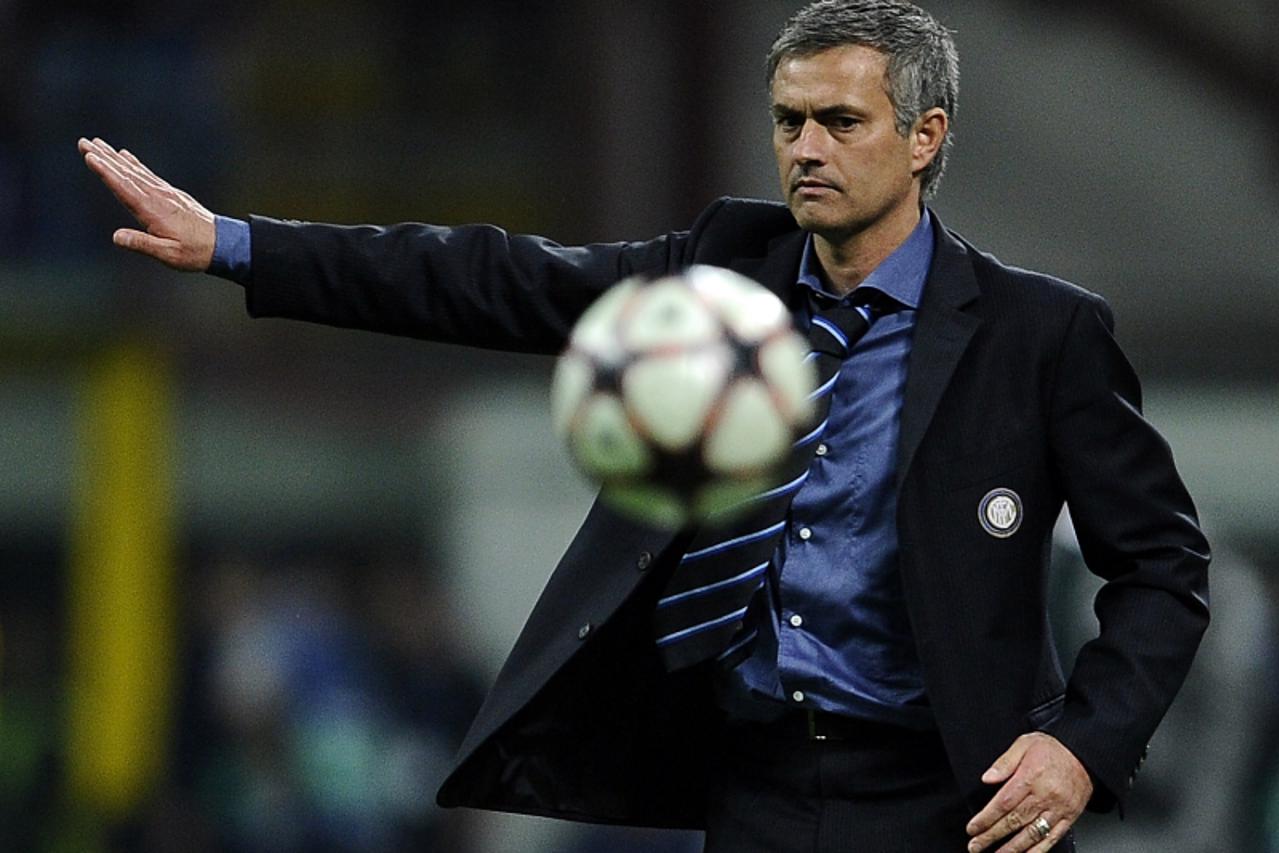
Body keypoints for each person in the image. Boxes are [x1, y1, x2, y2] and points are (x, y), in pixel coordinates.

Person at [79, 1, 1210, 850]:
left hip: (951, 799)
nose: (805, 148)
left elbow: (1163, 565)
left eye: (840, 122)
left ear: (924, 137)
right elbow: (492, 278)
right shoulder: (721, 272)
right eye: (788, 122)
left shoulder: (1038, 334)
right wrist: (238, 245)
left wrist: (1081, 744)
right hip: (752, 786)